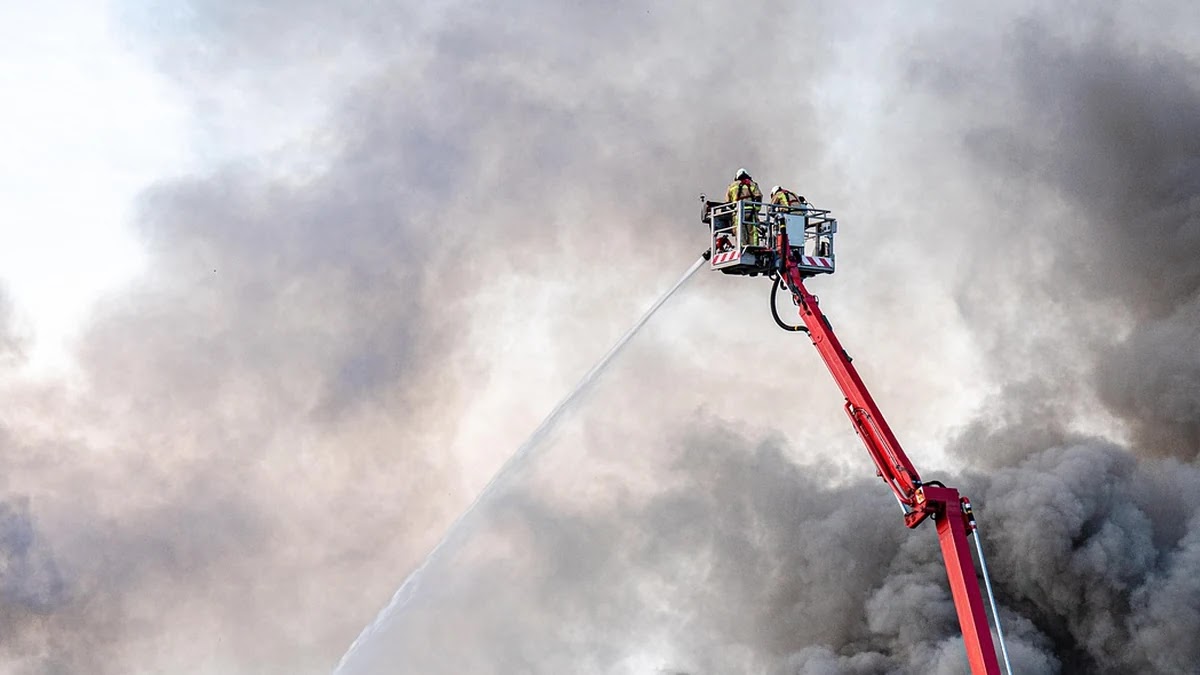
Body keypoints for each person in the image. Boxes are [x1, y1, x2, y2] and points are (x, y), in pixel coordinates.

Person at [726, 168, 763, 245]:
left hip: (738, 212)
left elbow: (727, 202)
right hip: (751, 212)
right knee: (753, 232)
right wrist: (756, 210)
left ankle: (742, 246)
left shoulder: (732, 186)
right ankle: (754, 247)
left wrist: (734, 210)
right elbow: (758, 197)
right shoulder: (753, 184)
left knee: (740, 231)